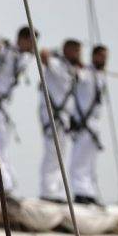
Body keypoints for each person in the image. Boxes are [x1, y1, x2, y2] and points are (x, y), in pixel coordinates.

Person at [0, 26, 37, 196]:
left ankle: (6, 182)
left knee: (2, 144)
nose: (33, 45)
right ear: (23, 39)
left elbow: (29, 57)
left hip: (1, 105)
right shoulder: (6, 51)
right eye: (31, 41)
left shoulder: (21, 56)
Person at [38, 39, 84, 203]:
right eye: (76, 51)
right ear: (68, 50)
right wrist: (55, 53)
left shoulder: (71, 69)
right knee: (52, 153)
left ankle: (56, 191)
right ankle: (48, 191)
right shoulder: (56, 63)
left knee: (61, 155)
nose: (79, 55)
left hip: (64, 117)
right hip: (53, 115)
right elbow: (42, 54)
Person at [70, 45, 108, 206]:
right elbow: (76, 75)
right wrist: (77, 64)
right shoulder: (86, 73)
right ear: (94, 56)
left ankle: (89, 192)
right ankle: (81, 192)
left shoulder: (100, 75)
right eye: (101, 56)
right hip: (84, 125)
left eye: (106, 57)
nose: (104, 60)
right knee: (79, 161)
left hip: (94, 125)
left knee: (90, 162)